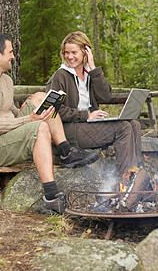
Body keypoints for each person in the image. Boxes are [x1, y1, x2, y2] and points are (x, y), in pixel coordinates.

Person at [0, 32, 99, 214]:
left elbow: (10, 113)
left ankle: (66, 152)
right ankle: (51, 196)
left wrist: (30, 109)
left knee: (43, 98)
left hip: (6, 136)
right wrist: (29, 119)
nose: (13, 56)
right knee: (39, 127)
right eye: (10, 52)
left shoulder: (6, 80)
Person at [45, 31, 142, 181]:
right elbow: (53, 110)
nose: (70, 56)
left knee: (134, 124)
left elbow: (105, 96)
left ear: (86, 51)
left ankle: (136, 172)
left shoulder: (89, 74)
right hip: (70, 129)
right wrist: (86, 115)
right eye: (67, 52)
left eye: (74, 52)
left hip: (88, 125)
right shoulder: (60, 76)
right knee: (123, 128)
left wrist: (93, 68)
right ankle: (125, 178)